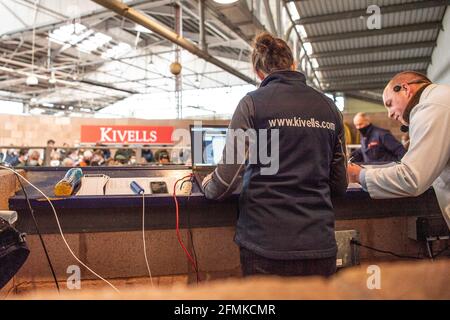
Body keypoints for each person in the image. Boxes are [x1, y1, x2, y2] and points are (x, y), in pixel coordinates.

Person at [202, 32, 347, 277]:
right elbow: (339, 183)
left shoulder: (251, 104)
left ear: (258, 72)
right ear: (293, 65)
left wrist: (207, 184)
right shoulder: (329, 107)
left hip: (265, 245)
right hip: (319, 244)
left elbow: (226, 180)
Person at [348, 71, 450, 229]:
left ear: (405, 89)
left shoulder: (431, 107)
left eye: (389, 104)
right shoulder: (438, 100)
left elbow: (411, 177)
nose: (389, 114)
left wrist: (356, 174)